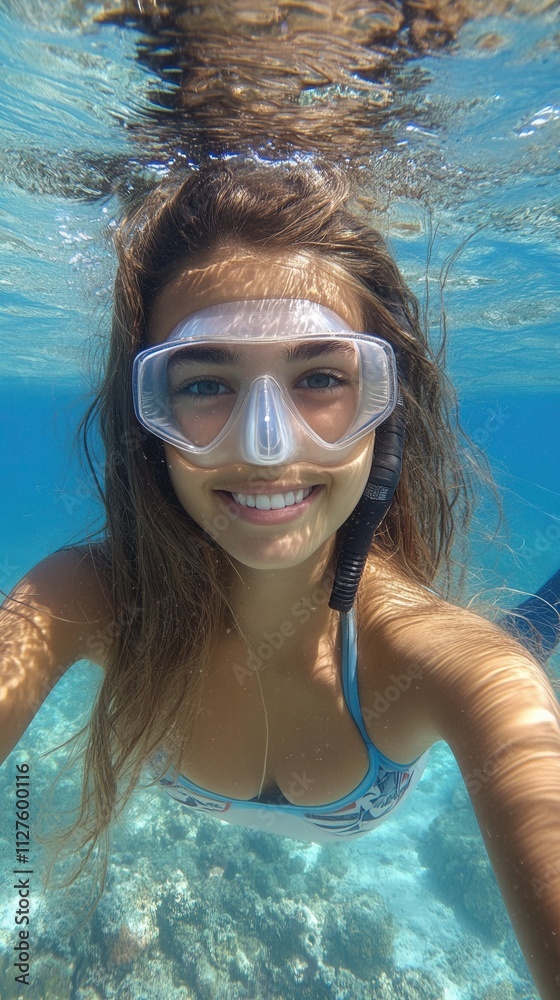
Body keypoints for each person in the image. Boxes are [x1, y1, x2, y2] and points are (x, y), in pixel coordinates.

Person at [1, 159, 559, 998]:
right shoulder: (88, 599)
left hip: (428, 647)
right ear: (144, 421)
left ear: (388, 406)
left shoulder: (459, 668)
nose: (266, 446)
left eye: (323, 378)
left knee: (526, 640)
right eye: (203, 383)